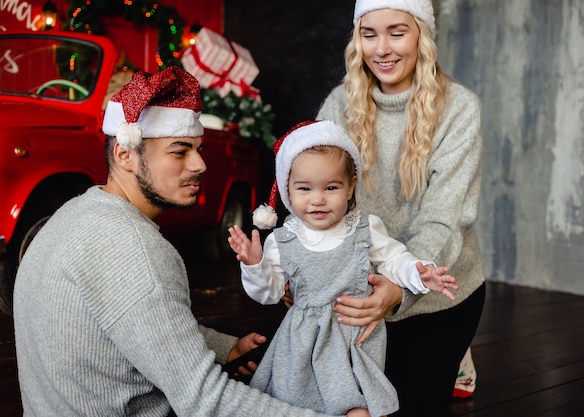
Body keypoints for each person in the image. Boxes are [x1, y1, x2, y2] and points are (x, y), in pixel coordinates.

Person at [12, 66, 368, 417]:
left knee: (236, 339)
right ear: (125, 154)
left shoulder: (72, 213)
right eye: (179, 151)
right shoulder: (136, 250)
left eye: (198, 149)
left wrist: (223, 348)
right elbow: (205, 401)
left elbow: (135, 318)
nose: (199, 164)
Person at [315, 1, 486, 416]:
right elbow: (315, 195)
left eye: (397, 32)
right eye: (369, 34)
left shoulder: (459, 108)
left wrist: (399, 289)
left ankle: (453, 357)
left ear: (422, 37)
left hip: (434, 292)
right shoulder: (340, 105)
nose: (382, 49)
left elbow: (442, 219)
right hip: (358, 289)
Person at [227, 120, 459, 417]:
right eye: (304, 188)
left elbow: (393, 259)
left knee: (359, 408)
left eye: (331, 187)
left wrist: (418, 271)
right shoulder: (283, 240)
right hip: (302, 345)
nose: (318, 199)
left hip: (354, 339)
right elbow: (269, 293)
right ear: (287, 189)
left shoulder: (364, 229)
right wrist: (255, 264)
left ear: (351, 187)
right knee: (298, 405)